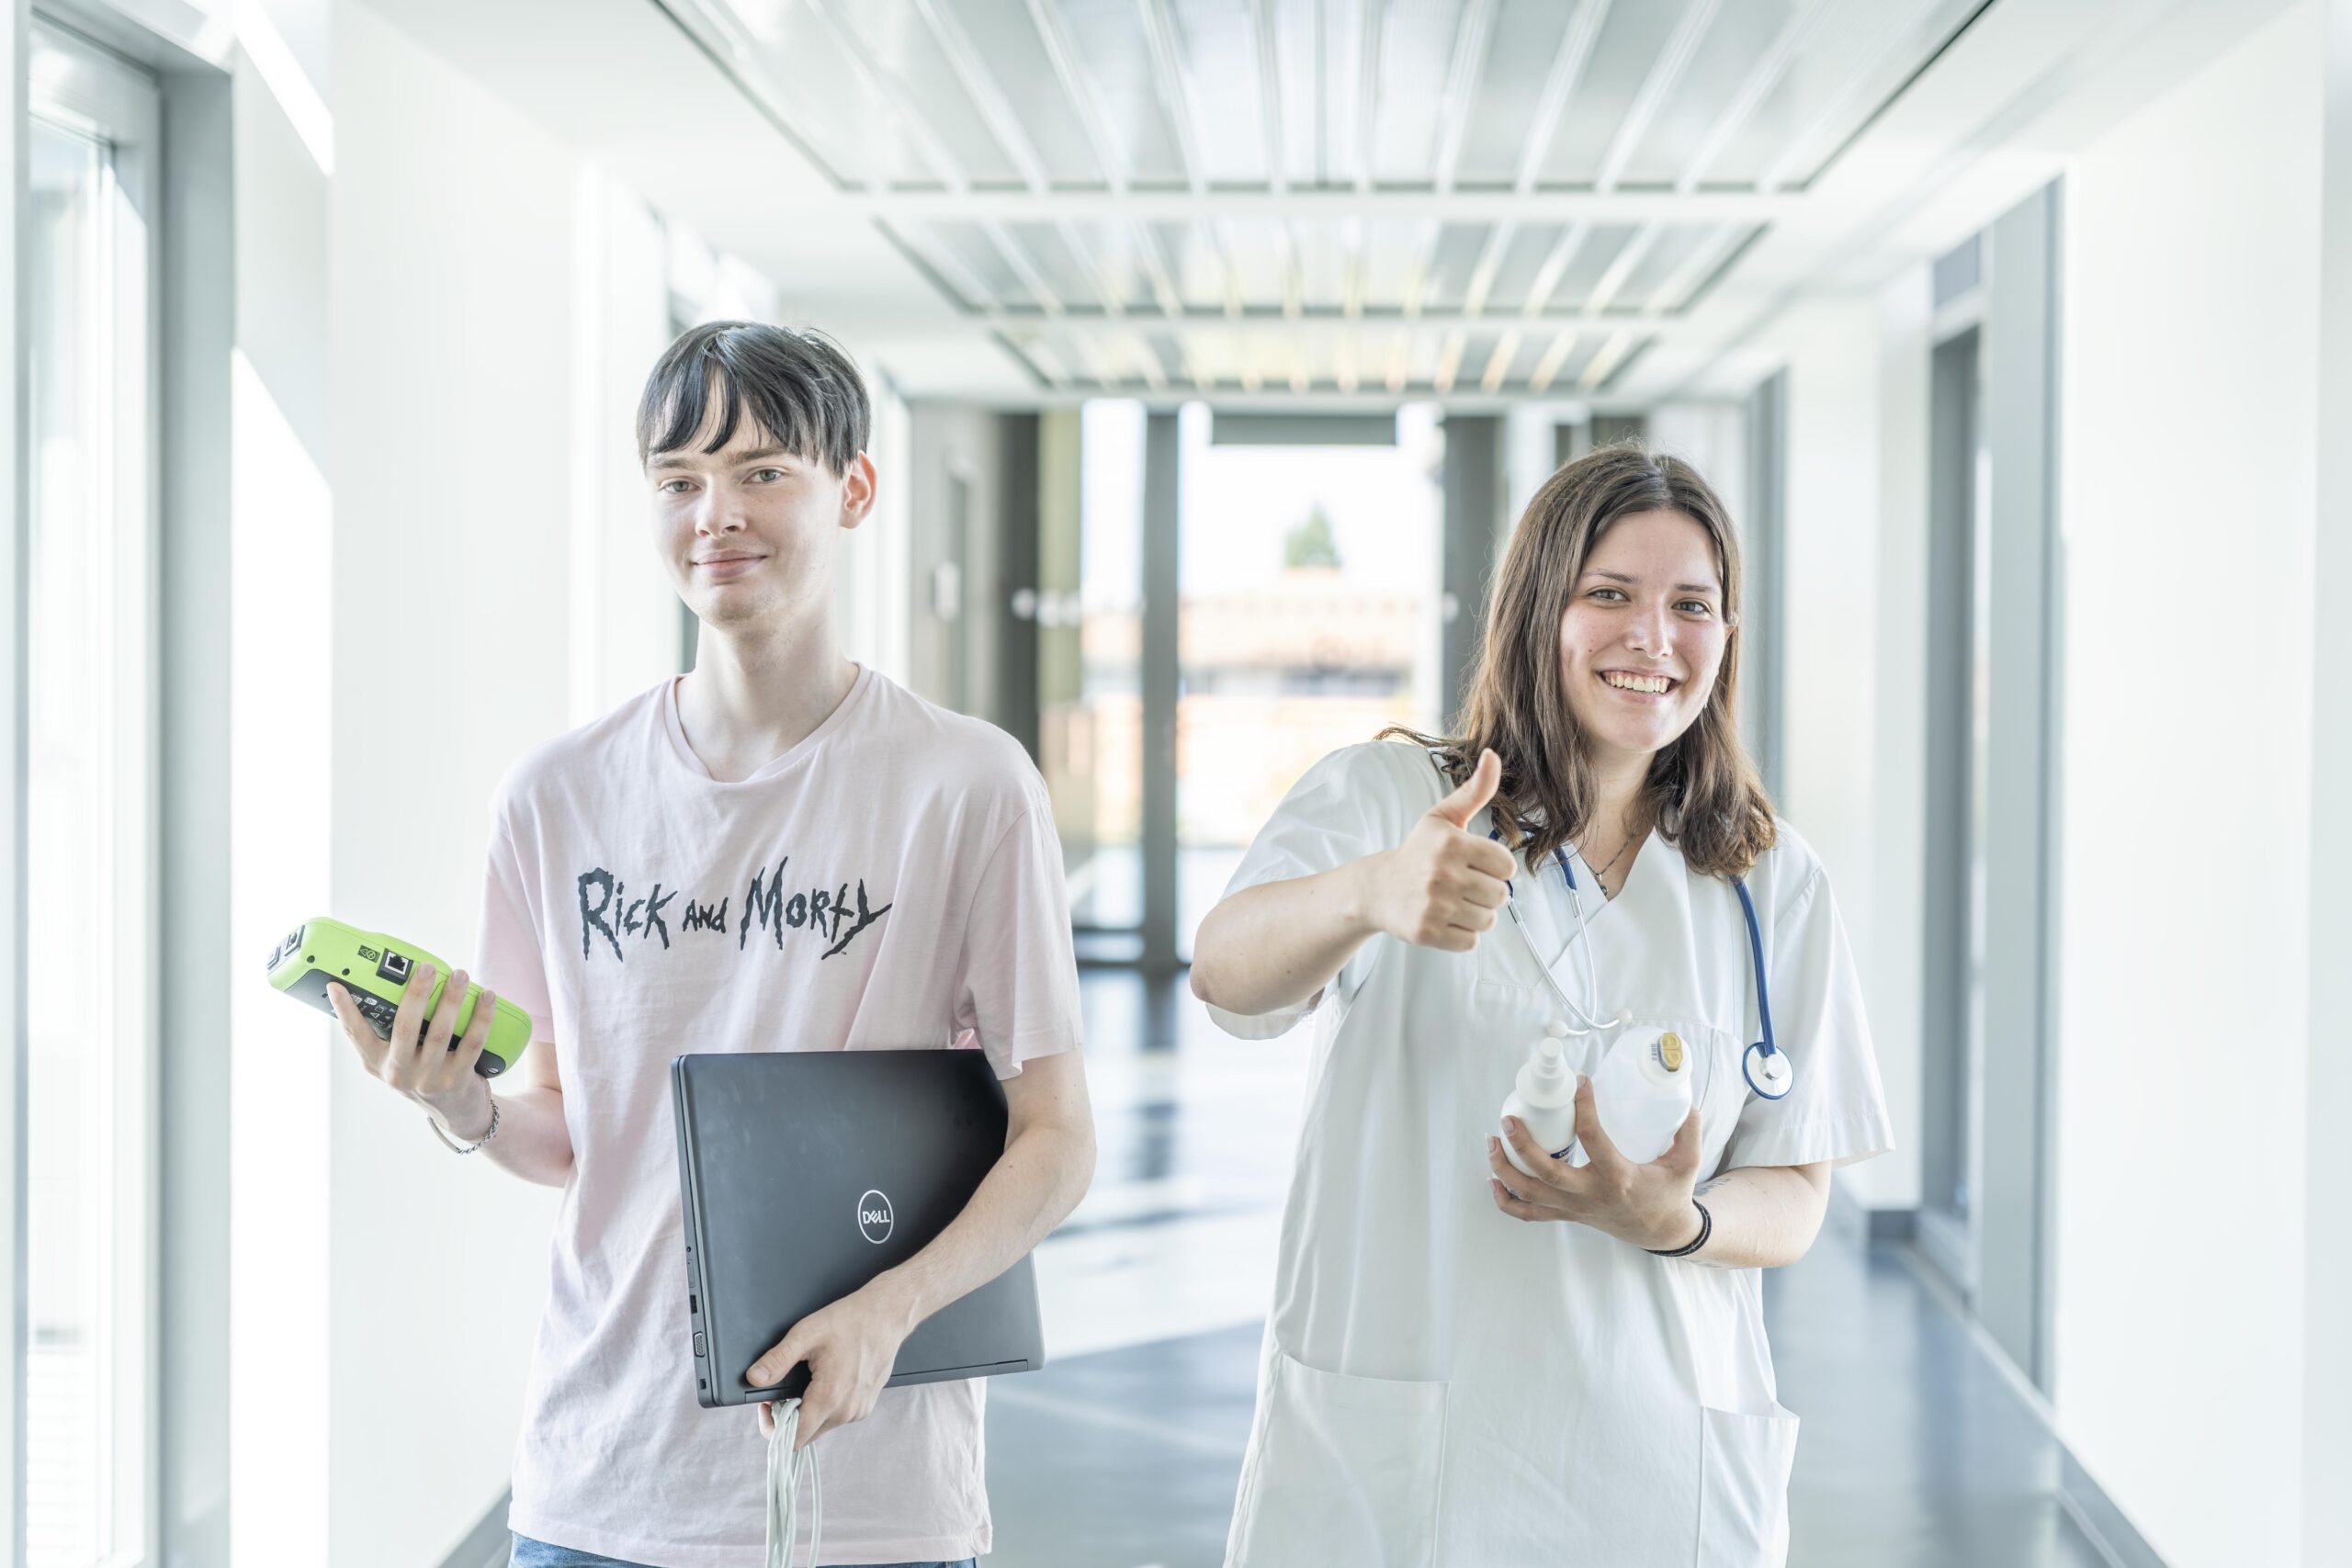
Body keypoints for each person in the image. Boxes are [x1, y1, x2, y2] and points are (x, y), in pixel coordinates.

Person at [325, 321, 1096, 1568]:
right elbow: (569, 1132)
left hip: (875, 1500)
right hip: (602, 1487)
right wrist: (458, 1102)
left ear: (853, 487)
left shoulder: (967, 785)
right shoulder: (555, 796)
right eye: (678, 480)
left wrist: (887, 1310)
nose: (714, 514)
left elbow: (1058, 1139)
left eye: (760, 471)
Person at [1189, 443, 1892, 1566]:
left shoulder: (1770, 880)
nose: (1650, 639)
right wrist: (1368, 892)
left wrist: (1677, 1223)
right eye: (1607, 594)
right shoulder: (1392, 800)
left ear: (1726, 635)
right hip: (1407, 1469)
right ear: (1535, 612)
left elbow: (1796, 1186)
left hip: (1658, 1468)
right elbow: (1225, 972)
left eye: (1691, 606)